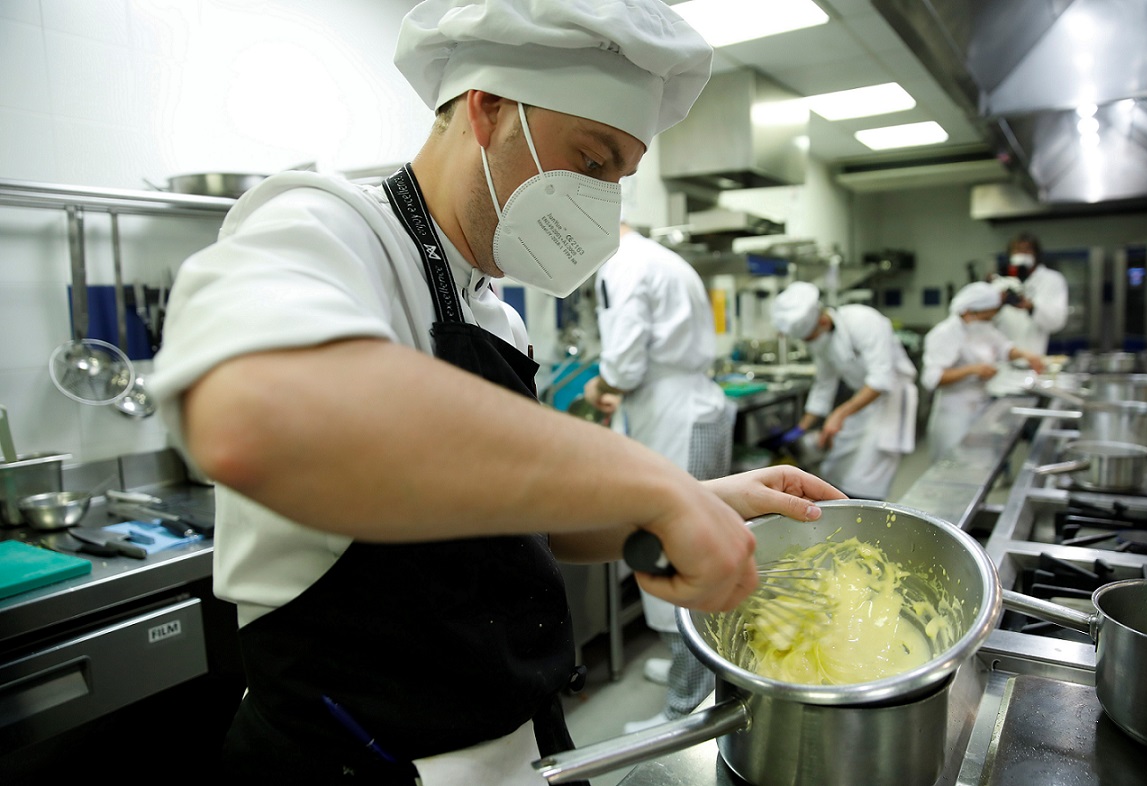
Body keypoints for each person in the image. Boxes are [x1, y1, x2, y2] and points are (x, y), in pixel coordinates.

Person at [148, 2, 846, 783]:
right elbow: (257, 412)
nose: (602, 200)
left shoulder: (493, 316)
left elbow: (525, 524)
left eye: (618, 178)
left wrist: (692, 497)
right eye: (590, 160)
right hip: (357, 760)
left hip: (519, 747)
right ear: (487, 110)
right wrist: (643, 478)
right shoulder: (325, 228)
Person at [582, 220, 734, 734]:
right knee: (683, 540)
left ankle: (683, 710)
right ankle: (683, 668)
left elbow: (623, 362)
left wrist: (598, 384)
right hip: (684, 406)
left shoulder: (624, 265)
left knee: (674, 549)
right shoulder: (660, 259)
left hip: (674, 416)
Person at [771, 281, 919, 500]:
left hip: (891, 401)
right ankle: (844, 507)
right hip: (863, 401)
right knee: (838, 467)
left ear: (822, 320)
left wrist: (840, 413)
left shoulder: (863, 320)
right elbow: (824, 385)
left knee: (867, 477)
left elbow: (881, 379)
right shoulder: (821, 341)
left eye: (809, 337)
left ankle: (864, 516)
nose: (809, 343)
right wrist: (801, 429)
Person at [922, 282, 1046, 462]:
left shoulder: (983, 327)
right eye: (985, 317)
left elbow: (1004, 348)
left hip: (982, 407)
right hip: (955, 414)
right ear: (968, 312)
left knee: (981, 465)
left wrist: (1026, 355)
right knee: (954, 466)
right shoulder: (944, 334)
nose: (989, 321)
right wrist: (972, 370)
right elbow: (932, 378)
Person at [990, 232, 1069, 355]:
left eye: (1027, 250)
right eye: (1017, 250)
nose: (1022, 254)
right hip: (1001, 361)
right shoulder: (1000, 283)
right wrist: (998, 304)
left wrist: (1031, 307)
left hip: (1034, 358)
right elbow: (983, 322)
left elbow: (1057, 322)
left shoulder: (1052, 280)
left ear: (1036, 254)